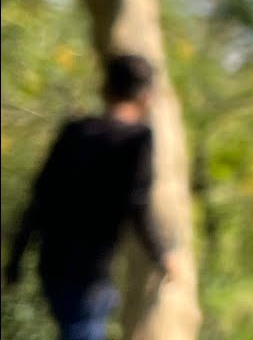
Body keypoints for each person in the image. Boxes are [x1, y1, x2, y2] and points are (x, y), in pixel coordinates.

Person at [2, 54, 181, 340]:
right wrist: (162, 255)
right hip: (91, 274)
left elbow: (39, 199)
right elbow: (138, 204)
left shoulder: (74, 131)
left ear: (105, 89)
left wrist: (15, 261)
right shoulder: (137, 139)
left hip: (52, 266)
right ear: (147, 96)